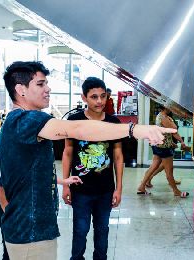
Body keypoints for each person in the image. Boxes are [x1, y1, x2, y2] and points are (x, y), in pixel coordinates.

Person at [0, 61, 175, 260]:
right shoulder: (27, 120)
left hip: (19, 228)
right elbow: (78, 129)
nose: (48, 89)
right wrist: (134, 129)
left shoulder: (13, 122)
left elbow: (5, 187)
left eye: (46, 83)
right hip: (31, 234)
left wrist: (58, 182)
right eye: (40, 84)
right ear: (21, 89)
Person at [61, 77, 123, 260]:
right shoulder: (74, 120)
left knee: (102, 231)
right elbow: (67, 152)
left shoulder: (113, 122)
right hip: (80, 189)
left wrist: (118, 188)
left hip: (105, 190)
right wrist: (65, 185)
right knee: (80, 231)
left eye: (103, 96)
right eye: (94, 97)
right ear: (84, 97)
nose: (99, 101)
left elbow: (118, 156)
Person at [137, 106, 189, 198]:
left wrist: (171, 142)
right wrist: (181, 142)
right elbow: (174, 131)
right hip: (164, 148)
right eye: (170, 107)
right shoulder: (164, 118)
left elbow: (164, 132)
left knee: (153, 166)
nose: (172, 108)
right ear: (165, 107)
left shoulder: (160, 116)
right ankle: (176, 191)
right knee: (169, 171)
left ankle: (142, 186)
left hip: (158, 145)